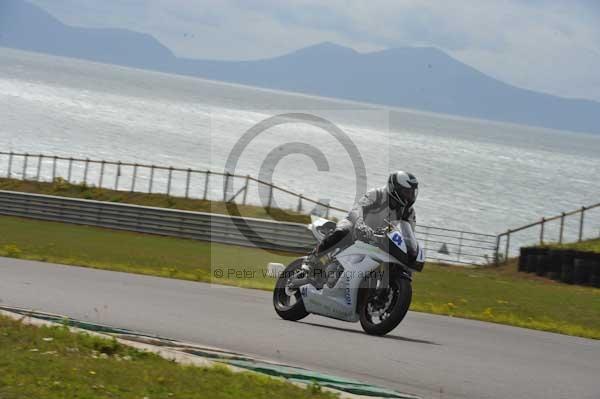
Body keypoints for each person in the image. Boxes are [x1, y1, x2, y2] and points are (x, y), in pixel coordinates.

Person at [305, 171, 419, 276]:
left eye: (412, 193)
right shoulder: (378, 195)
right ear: (395, 188)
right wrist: (360, 224)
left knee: (399, 264)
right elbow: (358, 209)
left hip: (378, 239)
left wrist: (411, 250)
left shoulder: (408, 212)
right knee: (343, 231)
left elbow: (409, 235)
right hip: (356, 226)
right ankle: (313, 258)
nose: (410, 197)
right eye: (406, 192)